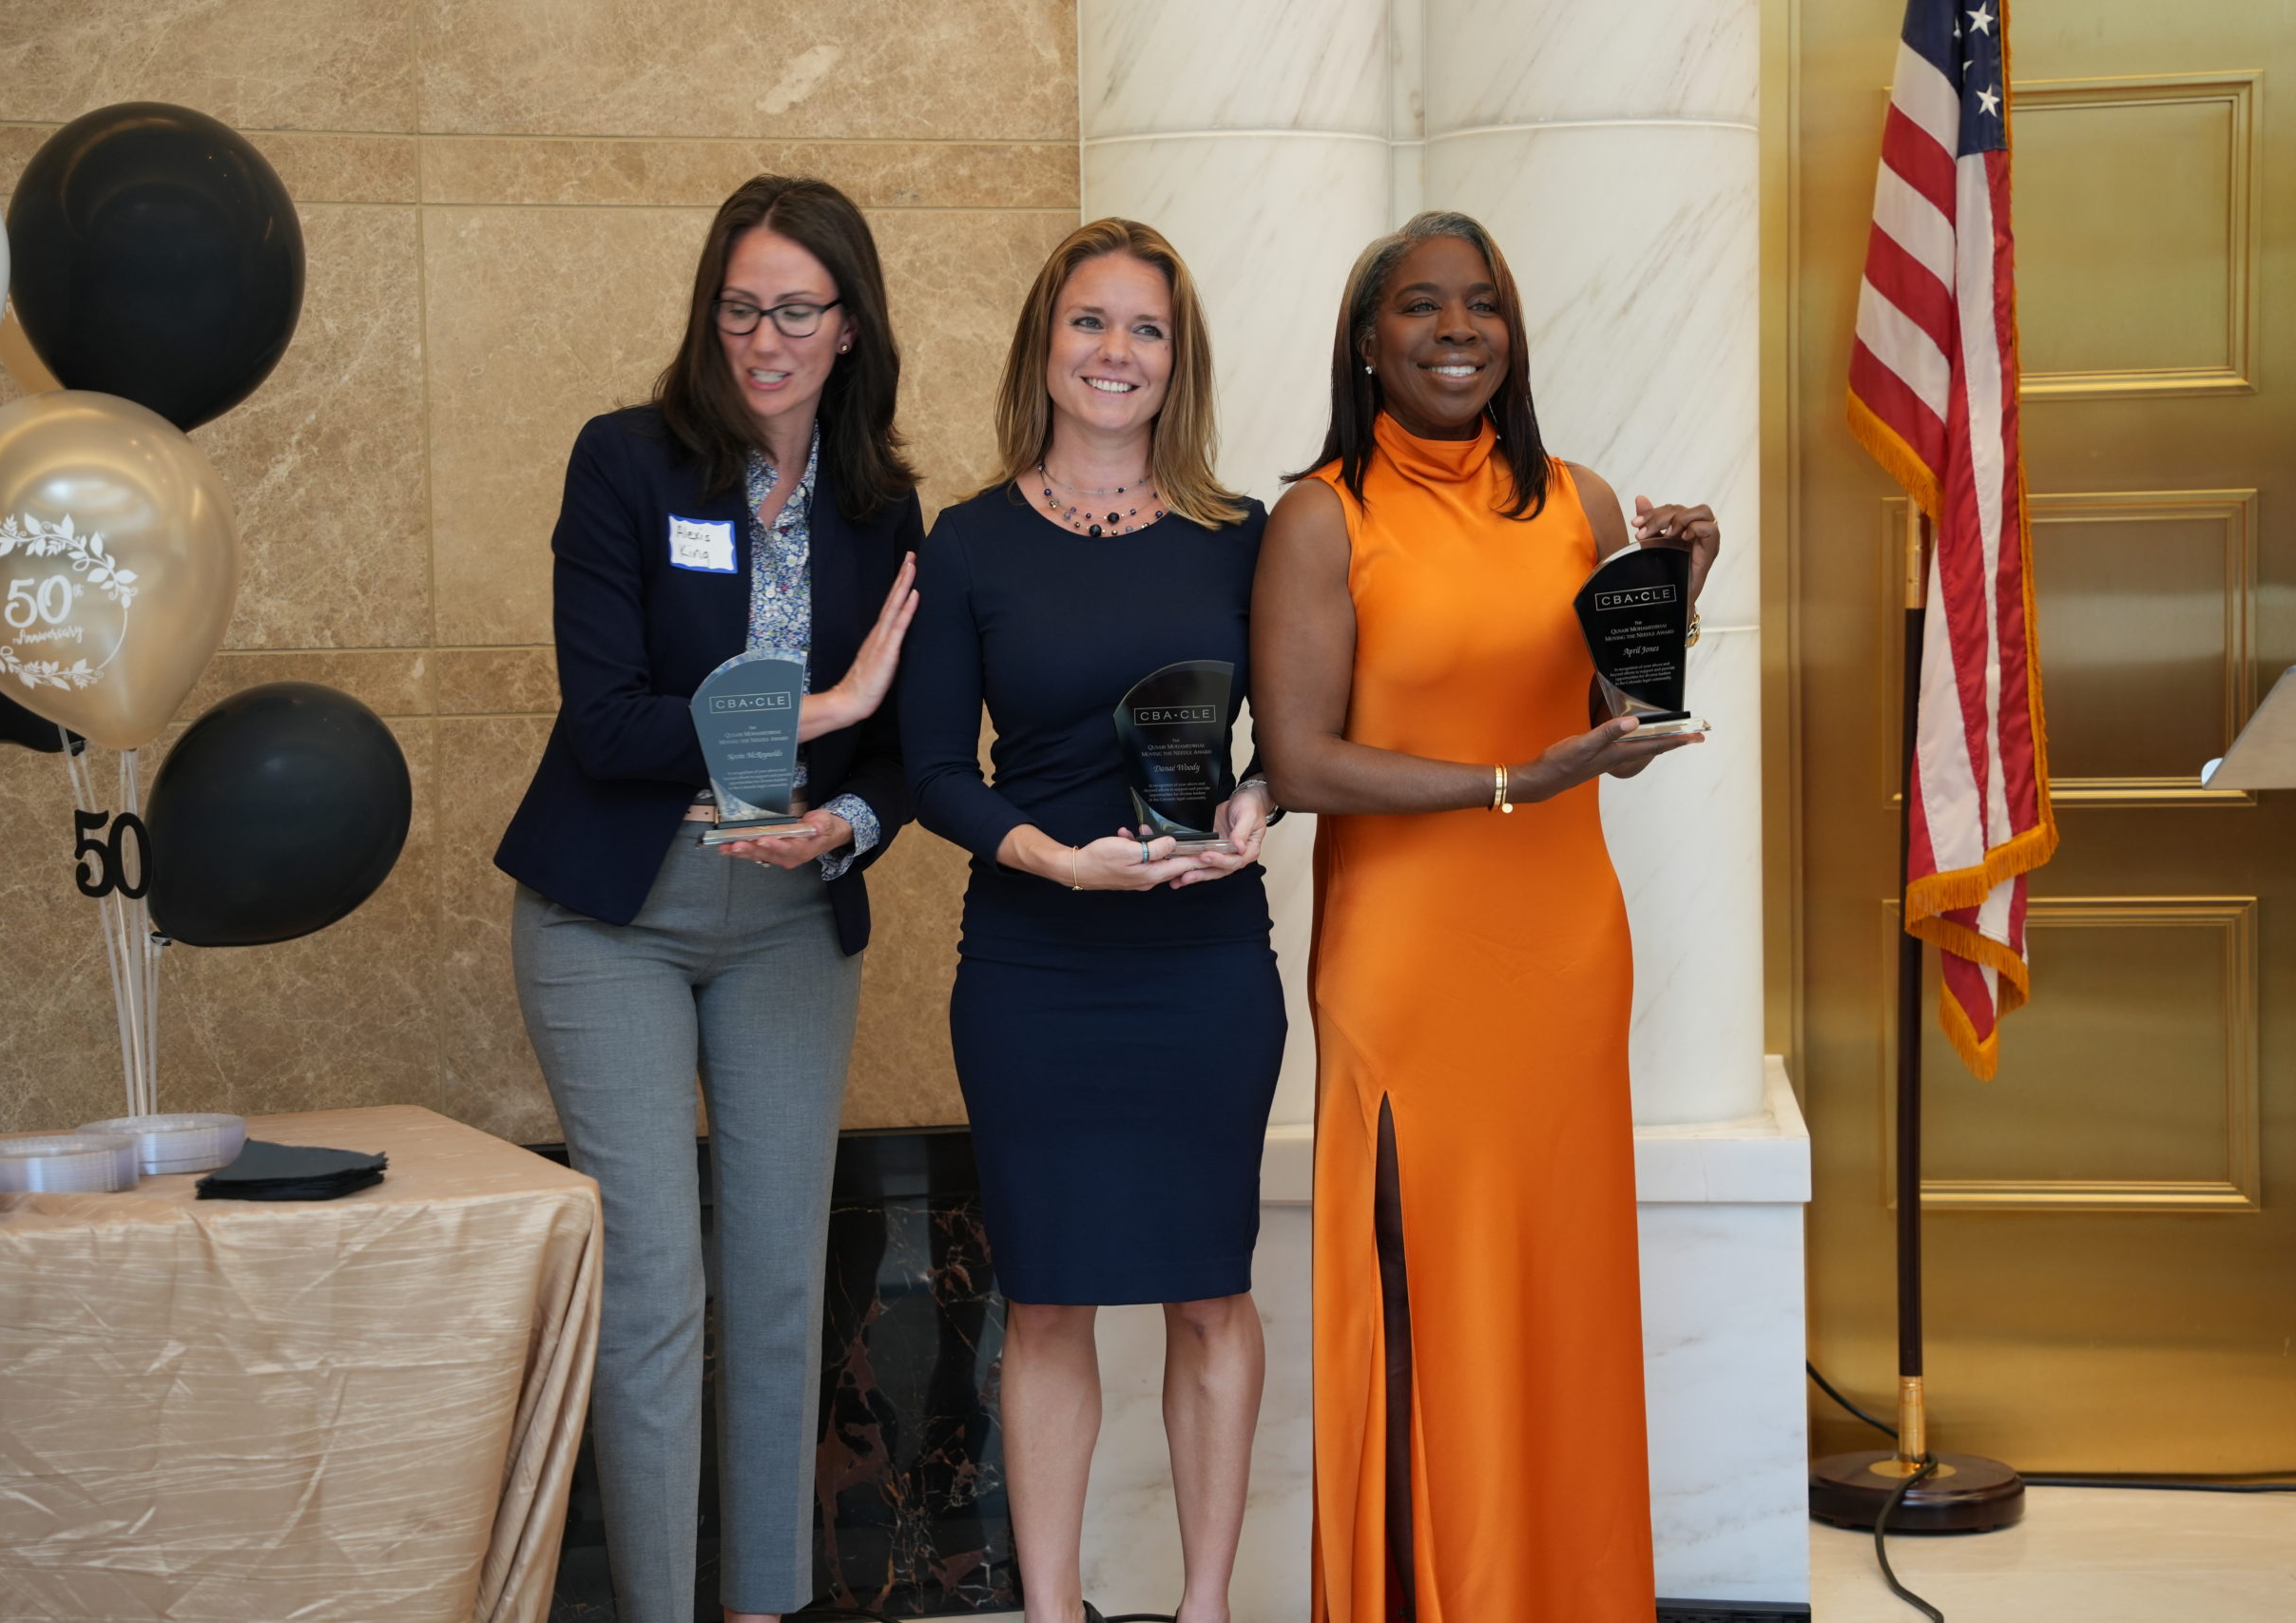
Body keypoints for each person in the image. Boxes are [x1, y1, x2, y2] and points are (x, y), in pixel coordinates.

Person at [1250, 211, 1721, 1621]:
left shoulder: (1582, 499)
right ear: (1367, 338)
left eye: (1483, 306)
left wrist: (1675, 598)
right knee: (1429, 1305)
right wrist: (1519, 779)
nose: (1457, 330)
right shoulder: (1322, 515)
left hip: (1565, 950)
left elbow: (1602, 717)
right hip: (1409, 964)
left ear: (1512, 334)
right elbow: (1301, 761)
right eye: (1421, 306)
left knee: (1554, 1300)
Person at [492, 175, 923, 1623]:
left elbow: (904, 753)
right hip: (617, 906)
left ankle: (764, 1606)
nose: (763, 338)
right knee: (660, 1287)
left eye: (796, 309)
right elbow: (607, 722)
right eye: (739, 307)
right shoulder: (627, 465)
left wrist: (849, 812)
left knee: (779, 1286)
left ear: (849, 326)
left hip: (790, 913)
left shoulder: (882, 507)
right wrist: (834, 699)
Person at [896, 220, 1283, 1623]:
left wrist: (1258, 800)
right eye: (1091, 324)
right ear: (1044, 348)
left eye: (1147, 330)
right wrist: (1055, 862)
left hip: (1201, 968)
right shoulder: (972, 541)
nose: (1116, 353)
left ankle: (1205, 1610)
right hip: (1035, 963)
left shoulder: (1245, 538)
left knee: (1205, 1292)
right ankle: (1052, 1611)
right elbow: (934, 766)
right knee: (1048, 1298)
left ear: (1179, 362)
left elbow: (1299, 733)